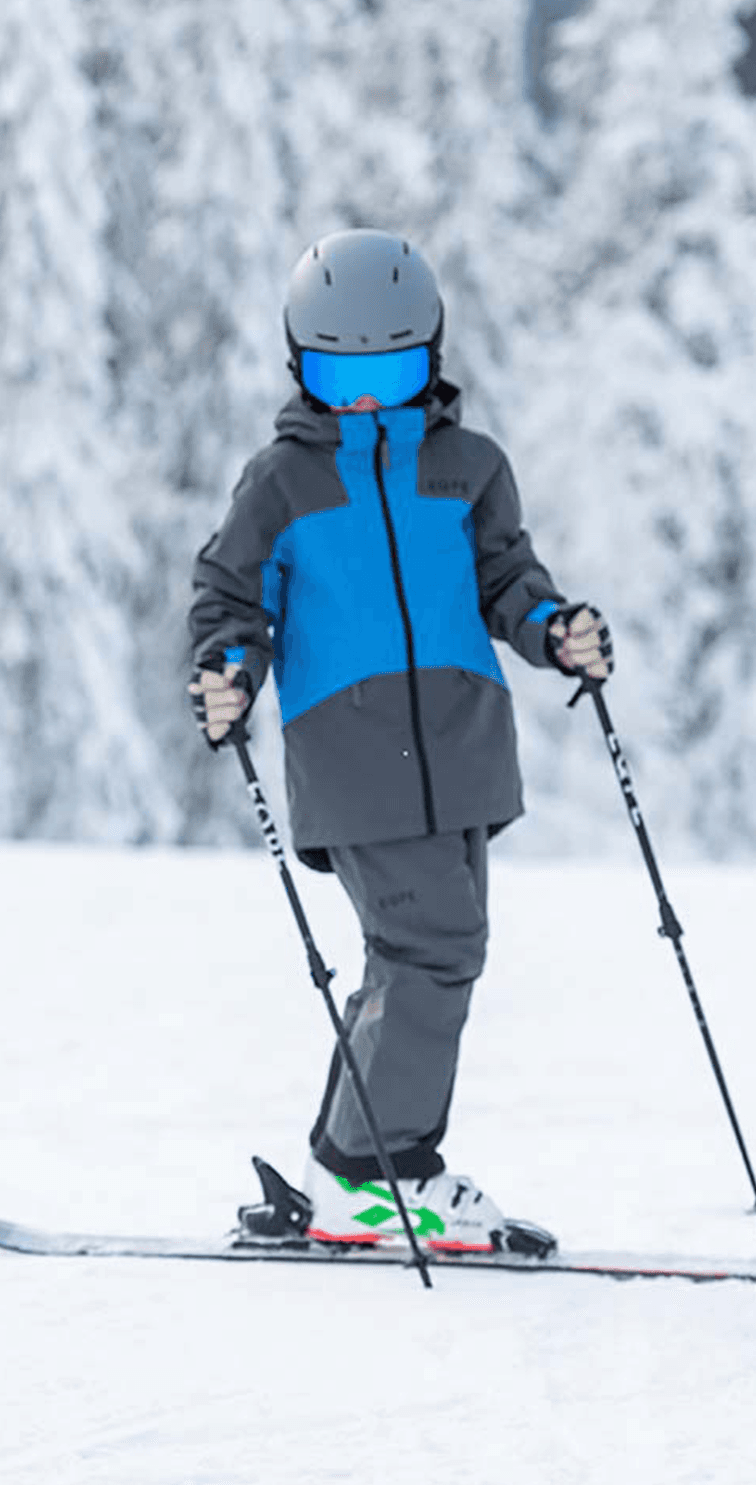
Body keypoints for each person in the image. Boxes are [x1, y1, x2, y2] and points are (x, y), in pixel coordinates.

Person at [187, 228, 611, 1254]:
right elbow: (230, 598)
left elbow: (508, 580)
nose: (369, 398)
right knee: (436, 948)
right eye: (343, 376)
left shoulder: (469, 468)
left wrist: (554, 630)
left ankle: (351, 1164)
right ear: (302, 365)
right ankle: (374, 1172)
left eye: (395, 371)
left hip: (464, 749)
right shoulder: (281, 483)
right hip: (353, 755)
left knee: (418, 957)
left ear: (433, 355)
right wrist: (227, 671)